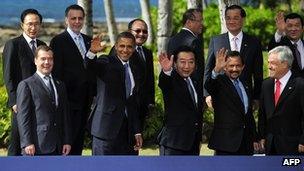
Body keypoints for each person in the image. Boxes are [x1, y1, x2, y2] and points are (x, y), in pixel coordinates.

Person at [86, 31, 143, 155]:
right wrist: (92, 53)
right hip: (105, 130)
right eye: (122, 46)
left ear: (134, 48)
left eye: (129, 47)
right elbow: (91, 68)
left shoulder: (135, 68)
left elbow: (133, 102)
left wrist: (136, 131)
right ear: (116, 46)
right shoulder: (106, 61)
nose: (125, 50)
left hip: (128, 133)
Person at [49, 4, 96, 155]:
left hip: (86, 103)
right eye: (73, 18)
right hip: (68, 103)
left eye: (80, 18)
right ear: (66, 20)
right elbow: (56, 74)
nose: (77, 21)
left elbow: (92, 70)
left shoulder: (89, 40)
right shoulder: (58, 41)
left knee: (78, 146)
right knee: (65, 146)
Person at [3, 8, 46, 156]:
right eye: (29, 24)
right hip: (20, 103)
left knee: (36, 141)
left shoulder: (42, 45)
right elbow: (8, 76)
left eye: (36, 24)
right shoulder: (13, 44)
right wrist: (14, 102)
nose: (33, 27)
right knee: (16, 142)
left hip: (39, 101)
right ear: (22, 25)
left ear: (40, 25)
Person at [204, 5, 263, 110]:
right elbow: (208, 69)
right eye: (228, 18)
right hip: (221, 97)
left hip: (246, 97)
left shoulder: (254, 42)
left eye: (236, 18)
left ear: (243, 19)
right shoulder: (216, 40)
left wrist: (256, 97)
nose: (231, 21)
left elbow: (258, 73)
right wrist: (207, 94)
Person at [16, 45, 71, 156]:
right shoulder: (26, 85)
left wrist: (67, 141)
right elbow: (23, 117)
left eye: (50, 59)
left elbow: (65, 115)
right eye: (43, 59)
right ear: (35, 61)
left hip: (59, 146)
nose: (47, 62)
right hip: (36, 146)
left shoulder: (60, 85)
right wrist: (27, 143)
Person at [204, 49, 259, 155]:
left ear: (243, 67)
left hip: (246, 143)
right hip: (226, 144)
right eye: (231, 66)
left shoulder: (246, 84)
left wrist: (254, 137)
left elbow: (247, 114)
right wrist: (216, 69)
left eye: (238, 66)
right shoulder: (219, 82)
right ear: (225, 67)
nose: (235, 69)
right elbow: (209, 85)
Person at [109, 18, 155, 130]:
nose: (141, 34)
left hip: (141, 107)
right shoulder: (119, 51)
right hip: (123, 107)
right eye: (138, 31)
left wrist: (150, 102)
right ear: (130, 32)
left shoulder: (147, 53)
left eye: (145, 31)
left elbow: (149, 80)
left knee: (136, 143)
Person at [157, 46, 203, 155]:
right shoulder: (171, 80)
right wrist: (166, 70)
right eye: (182, 62)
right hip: (173, 144)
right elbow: (164, 82)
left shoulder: (195, 81)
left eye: (191, 62)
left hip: (193, 144)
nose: (187, 66)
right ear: (175, 63)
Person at [258, 46, 304, 155]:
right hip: (270, 146)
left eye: (273, 63)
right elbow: (262, 114)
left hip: (294, 146)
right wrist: (262, 136)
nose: (269, 66)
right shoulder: (266, 84)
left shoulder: (300, 85)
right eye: (268, 62)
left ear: (285, 64)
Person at [167, 8, 204, 90]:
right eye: (200, 21)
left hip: (174, 88)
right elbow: (199, 71)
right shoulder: (194, 41)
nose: (202, 24)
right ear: (188, 22)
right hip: (191, 90)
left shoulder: (172, 40)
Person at [268, 12, 304, 78]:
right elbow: (271, 49)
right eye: (290, 26)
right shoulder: (281, 45)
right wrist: (279, 31)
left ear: (302, 28)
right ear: (285, 28)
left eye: (297, 25)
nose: (293, 29)